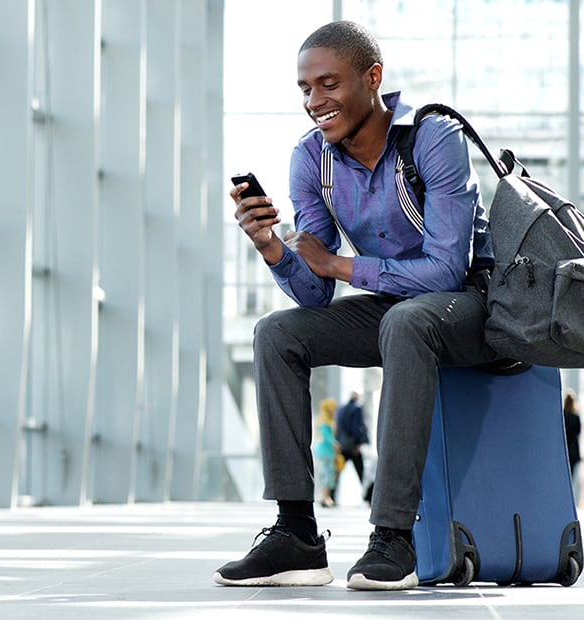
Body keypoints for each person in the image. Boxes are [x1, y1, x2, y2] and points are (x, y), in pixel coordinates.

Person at [213, 20, 499, 590]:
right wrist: (271, 247)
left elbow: (446, 268)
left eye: (328, 84)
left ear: (373, 79)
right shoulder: (310, 160)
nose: (314, 101)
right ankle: (296, 534)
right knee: (278, 333)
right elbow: (314, 292)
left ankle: (394, 537)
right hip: (398, 313)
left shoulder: (433, 138)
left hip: (471, 308)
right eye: (304, 88)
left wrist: (342, 265)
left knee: (409, 318)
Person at [334, 391, 369, 487]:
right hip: (353, 446)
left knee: (338, 470)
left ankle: (330, 495)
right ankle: (368, 496)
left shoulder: (341, 409)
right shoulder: (356, 409)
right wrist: (358, 443)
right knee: (361, 471)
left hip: (343, 445)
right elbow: (356, 427)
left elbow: (338, 427)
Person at [313, 398, 339, 508]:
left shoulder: (328, 420)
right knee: (326, 474)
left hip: (328, 451)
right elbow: (326, 435)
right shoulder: (324, 420)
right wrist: (334, 443)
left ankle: (327, 497)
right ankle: (325, 497)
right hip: (325, 451)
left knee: (329, 474)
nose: (334, 410)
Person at [563, 391, 581, 479]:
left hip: (563, 450)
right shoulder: (575, 417)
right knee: (571, 477)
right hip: (573, 452)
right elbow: (578, 433)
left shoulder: (562, 417)